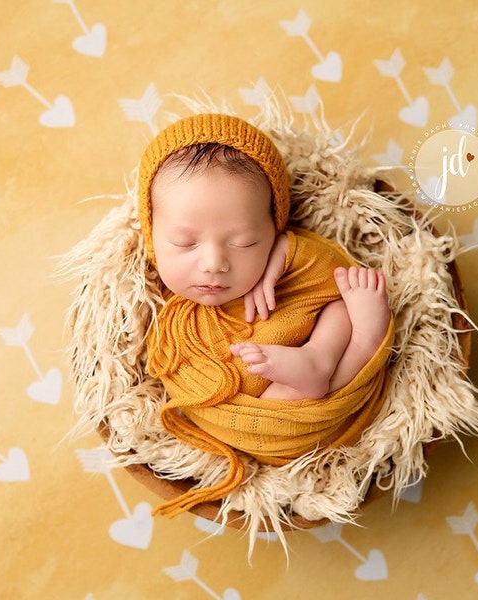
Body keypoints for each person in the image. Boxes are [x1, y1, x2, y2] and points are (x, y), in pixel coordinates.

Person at [137, 113, 395, 517]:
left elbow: (332, 271)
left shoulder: (286, 259)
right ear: (153, 236)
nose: (213, 263)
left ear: (274, 228)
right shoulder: (177, 327)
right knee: (282, 399)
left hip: (313, 348)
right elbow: (184, 387)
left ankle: (325, 356)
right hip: (275, 421)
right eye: (184, 243)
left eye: (243, 242)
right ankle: (358, 350)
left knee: (344, 297)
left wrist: (284, 254)